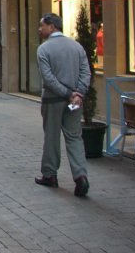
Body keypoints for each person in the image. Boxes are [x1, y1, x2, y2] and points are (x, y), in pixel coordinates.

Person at [35, 13, 90, 197]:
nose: (39, 29)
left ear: (52, 26)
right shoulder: (77, 46)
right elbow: (85, 72)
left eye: (41, 25)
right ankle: (81, 176)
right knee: (75, 137)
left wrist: (68, 93)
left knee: (52, 137)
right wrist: (78, 93)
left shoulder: (44, 49)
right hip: (74, 102)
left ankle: (50, 175)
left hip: (53, 100)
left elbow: (48, 78)